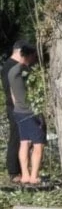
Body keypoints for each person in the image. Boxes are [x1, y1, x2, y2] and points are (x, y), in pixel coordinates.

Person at [7, 45, 43, 184]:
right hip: (30, 112)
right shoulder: (23, 70)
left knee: (24, 143)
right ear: (27, 56)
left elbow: (12, 93)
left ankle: (25, 175)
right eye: (33, 56)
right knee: (38, 145)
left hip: (18, 111)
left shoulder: (11, 72)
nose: (34, 59)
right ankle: (34, 176)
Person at [2, 40, 34, 183]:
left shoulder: (16, 66)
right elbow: (13, 91)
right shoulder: (11, 67)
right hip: (16, 107)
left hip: (22, 107)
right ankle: (14, 171)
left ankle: (23, 170)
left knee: (24, 139)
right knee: (17, 137)